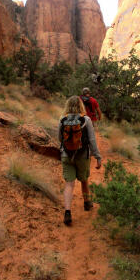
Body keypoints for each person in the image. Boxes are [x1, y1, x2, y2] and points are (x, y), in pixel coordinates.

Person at [58, 95, 102, 226]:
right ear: (80, 105)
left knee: (69, 184)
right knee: (84, 180)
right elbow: (92, 140)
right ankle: (87, 203)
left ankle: (67, 212)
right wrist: (98, 157)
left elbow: (60, 139)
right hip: (82, 155)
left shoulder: (62, 119)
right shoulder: (86, 119)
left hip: (66, 155)